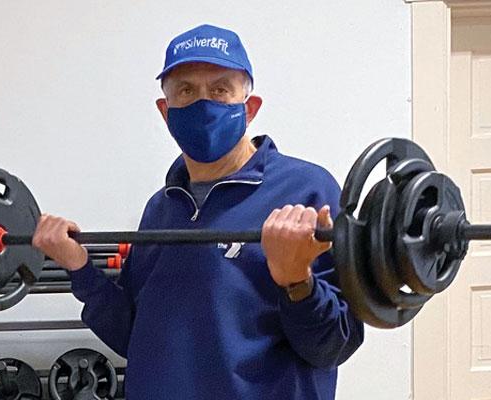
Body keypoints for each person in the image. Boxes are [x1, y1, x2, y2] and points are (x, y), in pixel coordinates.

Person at [33, 24, 364, 400]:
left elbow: (333, 346)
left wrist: (296, 282)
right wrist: (78, 266)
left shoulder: (307, 191)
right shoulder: (161, 208)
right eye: (186, 91)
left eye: (221, 89)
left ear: (249, 107)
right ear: (165, 111)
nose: (203, 103)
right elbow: (135, 338)